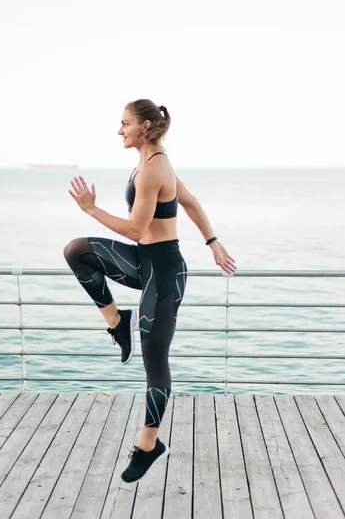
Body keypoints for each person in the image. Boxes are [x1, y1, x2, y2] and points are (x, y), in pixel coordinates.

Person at [64, 99, 236, 483]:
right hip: (144, 261)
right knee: (77, 251)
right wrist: (213, 241)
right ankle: (116, 321)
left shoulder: (154, 169)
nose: (119, 129)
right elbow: (189, 202)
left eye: (124, 123)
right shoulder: (151, 163)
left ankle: (149, 444)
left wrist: (92, 209)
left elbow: (136, 230)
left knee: (153, 360)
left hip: (164, 271)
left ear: (144, 126)